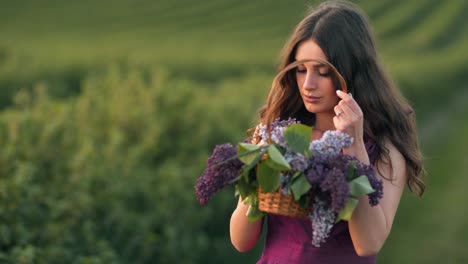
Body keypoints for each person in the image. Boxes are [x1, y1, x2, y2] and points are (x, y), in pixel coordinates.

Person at [229, 1, 425, 263]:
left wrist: (355, 146)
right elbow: (241, 240)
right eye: (300, 70)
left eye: (322, 72)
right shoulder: (280, 135)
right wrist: (258, 169)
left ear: (351, 72)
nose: (308, 84)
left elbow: (369, 244)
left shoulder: (384, 148)